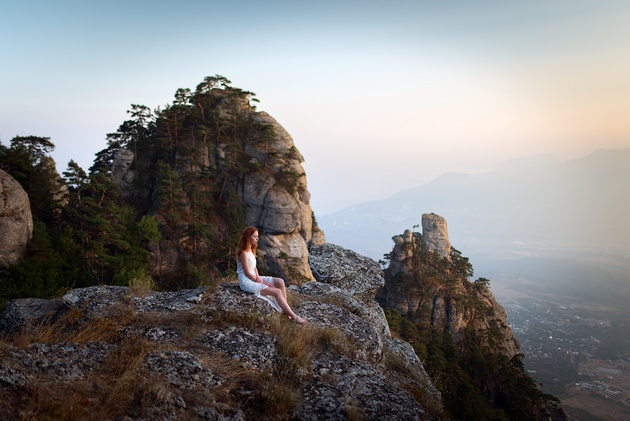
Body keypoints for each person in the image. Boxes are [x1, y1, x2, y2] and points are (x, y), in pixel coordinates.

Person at [236, 226, 307, 324]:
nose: (257, 238)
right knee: (277, 291)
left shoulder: (251, 250)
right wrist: (261, 282)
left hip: (254, 277)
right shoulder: (243, 253)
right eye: (255, 236)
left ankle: (284, 310)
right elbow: (247, 272)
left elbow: (254, 268)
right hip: (246, 281)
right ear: (248, 237)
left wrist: (258, 277)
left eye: (257, 236)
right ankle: (293, 316)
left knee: (280, 282)